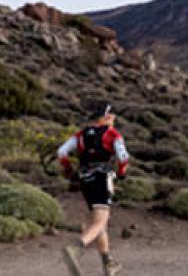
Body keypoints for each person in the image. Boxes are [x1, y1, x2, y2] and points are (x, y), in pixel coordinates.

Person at [56, 103, 129, 276]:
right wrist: (121, 172)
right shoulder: (112, 134)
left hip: (84, 179)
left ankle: (108, 263)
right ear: (104, 117)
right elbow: (123, 157)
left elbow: (61, 152)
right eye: (111, 115)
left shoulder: (80, 135)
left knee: (99, 221)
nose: (114, 118)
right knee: (100, 222)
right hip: (102, 177)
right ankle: (75, 248)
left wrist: (68, 171)